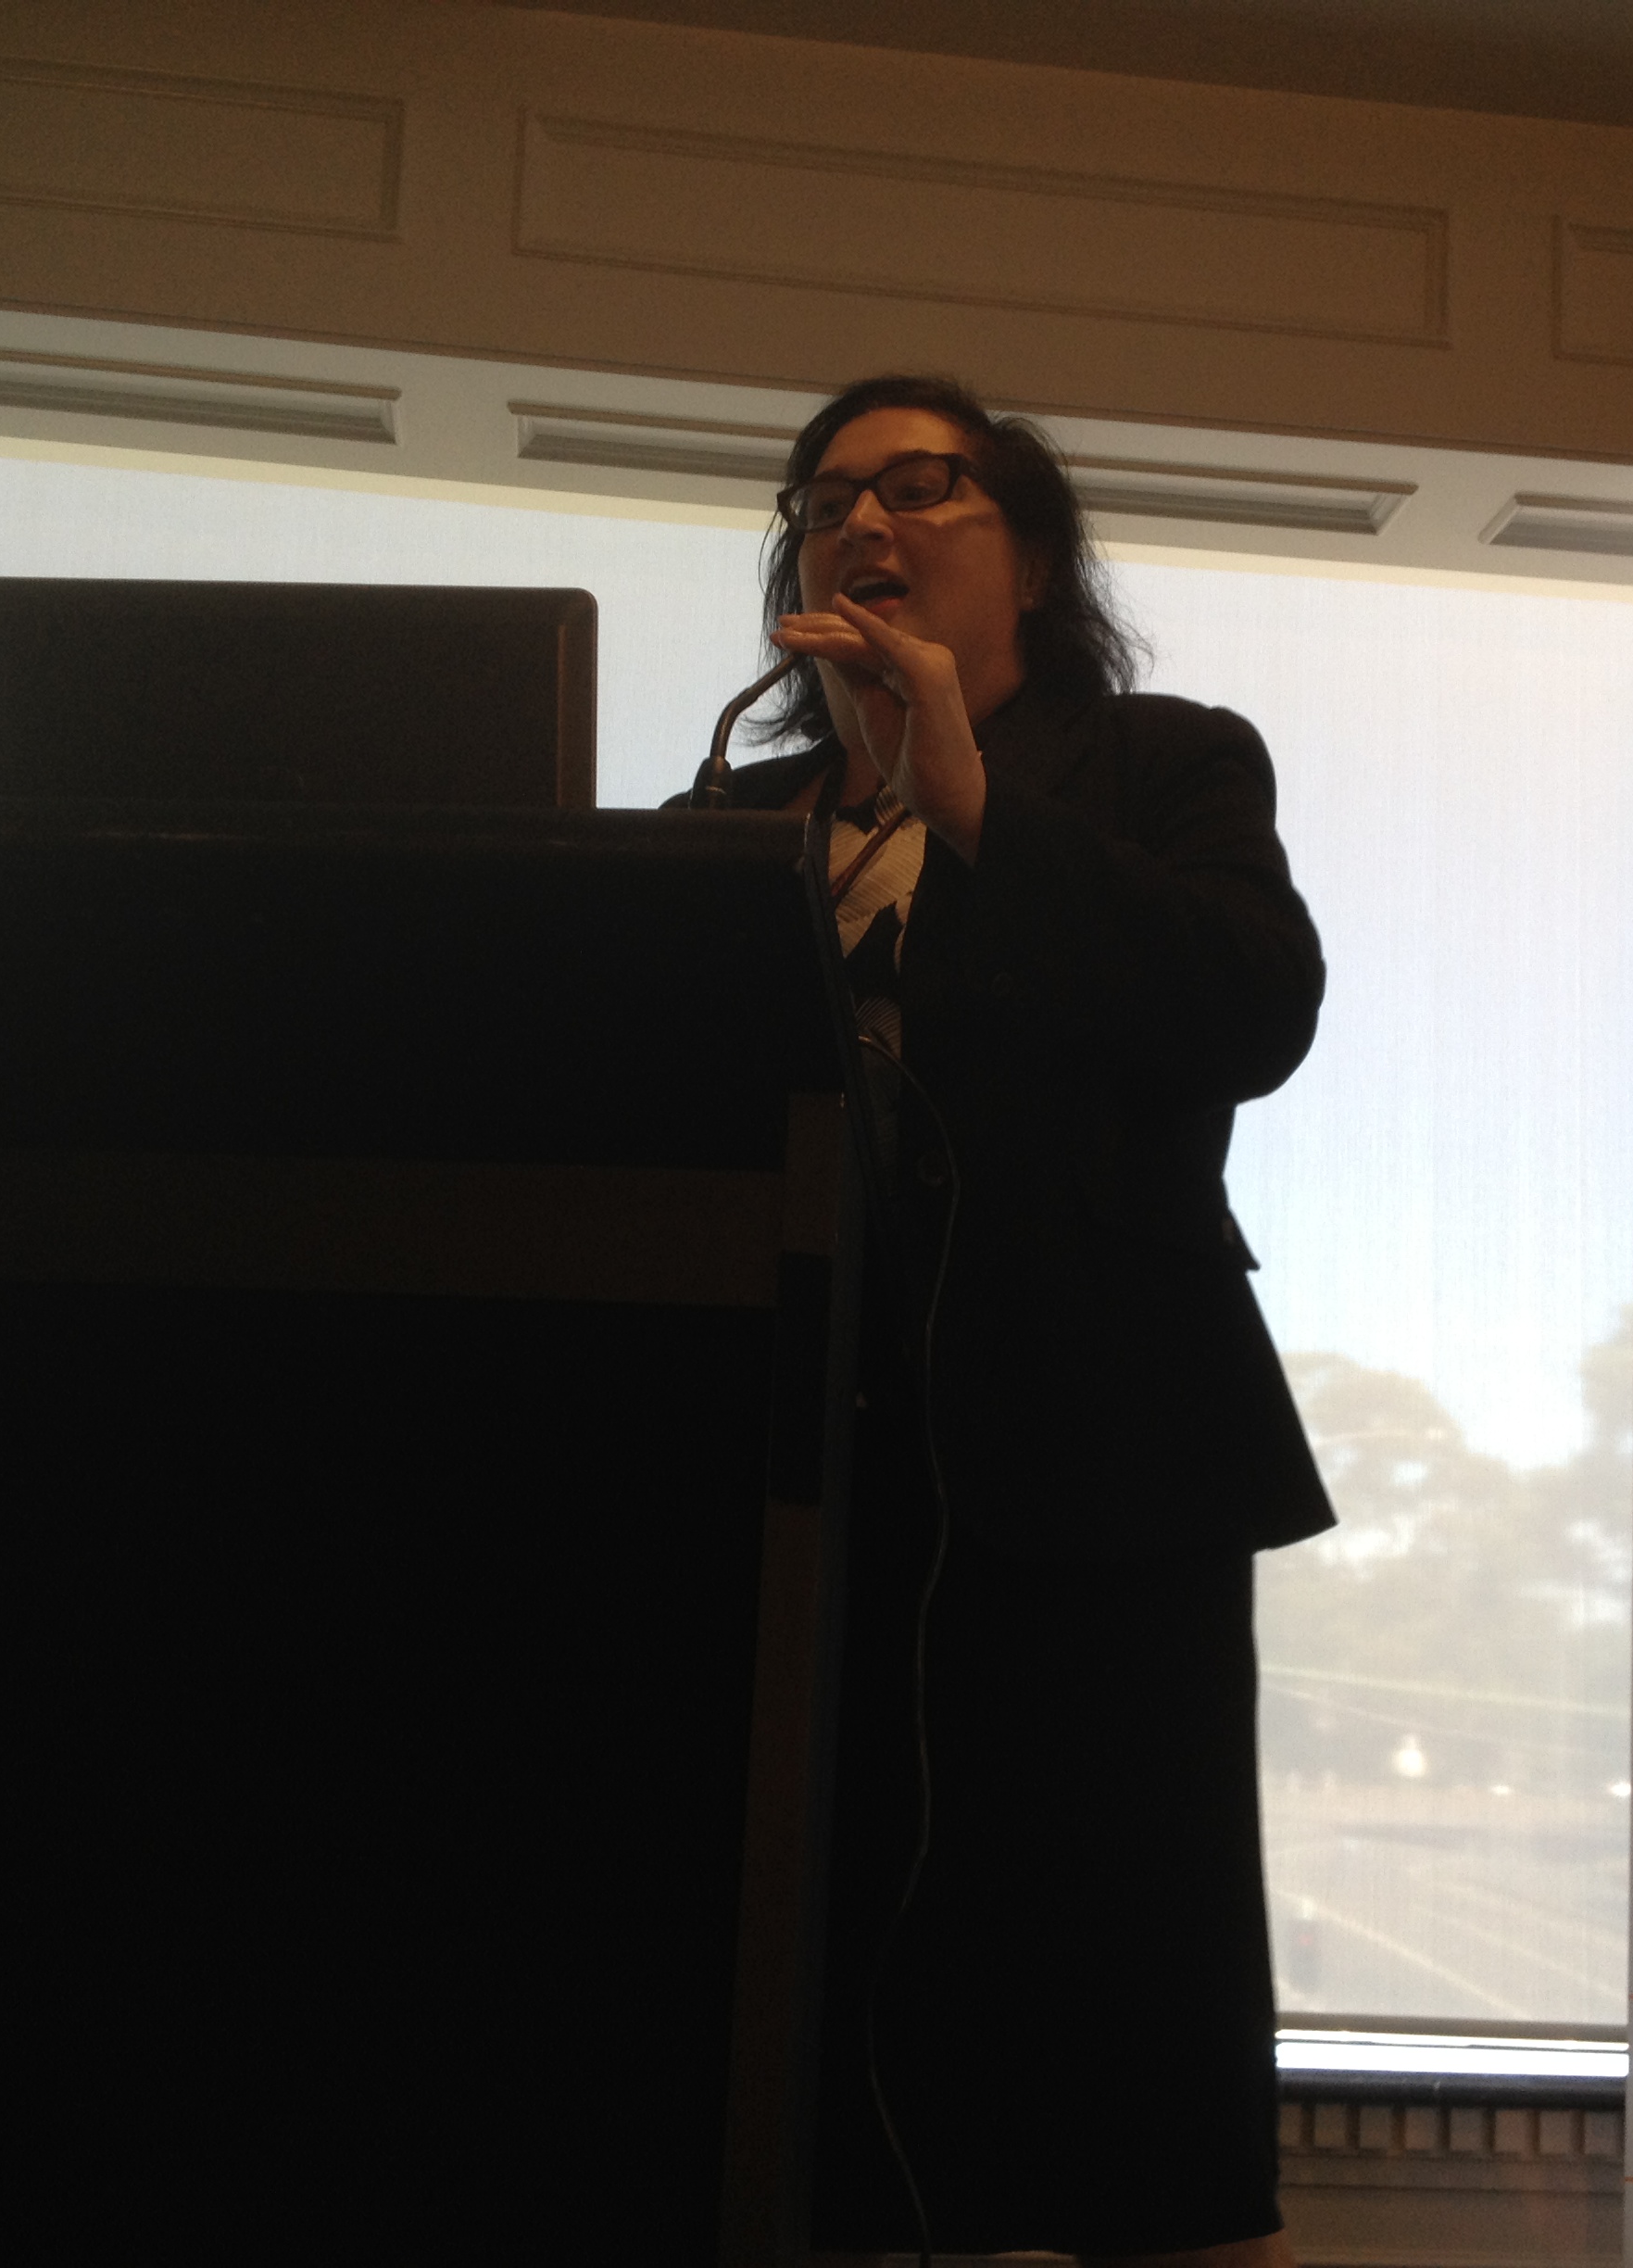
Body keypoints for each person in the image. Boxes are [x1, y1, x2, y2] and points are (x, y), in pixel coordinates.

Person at [678, 374, 1334, 2268]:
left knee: (1119, 1953)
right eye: (825, 503)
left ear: (1032, 559)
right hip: (801, 1464)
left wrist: (965, 794)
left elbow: (1252, 1012)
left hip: (1100, 1451)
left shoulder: (1162, 765)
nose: (862, 524)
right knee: (821, 1951)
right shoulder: (736, 817)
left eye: (921, 486)